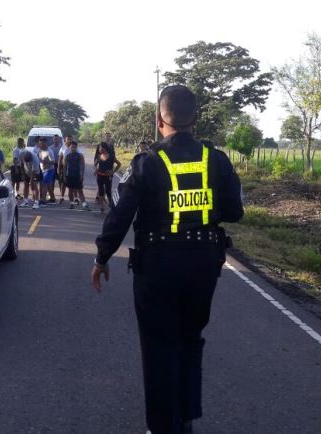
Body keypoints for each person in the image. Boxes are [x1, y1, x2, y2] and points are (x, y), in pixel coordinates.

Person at [90, 85, 244, 434]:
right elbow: (235, 212)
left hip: (158, 267)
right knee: (190, 340)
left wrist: (102, 257)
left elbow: (121, 215)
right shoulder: (217, 160)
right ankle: (184, 419)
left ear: (159, 121)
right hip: (204, 266)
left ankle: (163, 427)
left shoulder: (147, 163)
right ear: (196, 119)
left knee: (159, 347)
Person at [94, 142, 121, 213]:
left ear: (104, 148)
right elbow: (95, 164)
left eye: (100, 148)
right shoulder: (99, 156)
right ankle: (101, 207)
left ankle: (111, 206)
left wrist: (113, 172)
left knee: (108, 191)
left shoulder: (111, 156)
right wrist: (96, 170)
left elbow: (119, 164)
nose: (99, 149)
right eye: (99, 148)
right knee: (101, 190)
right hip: (99, 175)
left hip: (108, 176)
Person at [64, 141, 89, 210]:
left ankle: (84, 205)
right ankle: (72, 204)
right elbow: (65, 167)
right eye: (72, 147)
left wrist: (82, 175)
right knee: (70, 191)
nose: (73, 148)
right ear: (69, 147)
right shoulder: (67, 156)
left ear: (76, 147)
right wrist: (64, 176)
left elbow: (82, 166)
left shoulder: (80, 155)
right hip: (69, 176)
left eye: (74, 147)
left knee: (80, 191)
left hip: (77, 176)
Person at [34, 137, 58, 204]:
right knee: (48, 185)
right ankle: (53, 198)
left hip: (50, 170)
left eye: (43, 144)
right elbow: (38, 160)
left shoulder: (49, 151)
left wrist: (46, 162)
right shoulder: (39, 151)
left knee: (44, 184)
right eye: (40, 144)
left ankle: (43, 200)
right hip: (43, 170)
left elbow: (53, 162)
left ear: (46, 144)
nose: (41, 145)